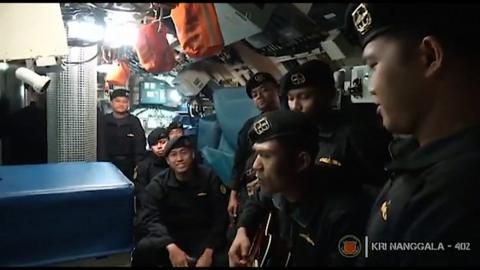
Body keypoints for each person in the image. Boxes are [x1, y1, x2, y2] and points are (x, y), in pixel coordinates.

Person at [344, 3, 480, 266]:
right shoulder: (421, 162)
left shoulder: (457, 196)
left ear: (430, 56)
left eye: (373, 65)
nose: (371, 87)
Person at [228, 110, 372, 267]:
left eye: (266, 155)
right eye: (257, 154)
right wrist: (243, 231)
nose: (256, 165)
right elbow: (257, 200)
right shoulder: (282, 185)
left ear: (301, 162)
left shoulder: (344, 217)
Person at [281, 59, 389, 188]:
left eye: (304, 97)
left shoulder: (354, 132)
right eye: (291, 98)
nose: (295, 106)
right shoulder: (298, 137)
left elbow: (380, 182)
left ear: (329, 94)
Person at [132, 135, 229, 267]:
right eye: (173, 155)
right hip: (170, 236)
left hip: (203, 237)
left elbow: (220, 217)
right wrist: (170, 246)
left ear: (193, 155)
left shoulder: (209, 177)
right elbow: (150, 217)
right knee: (143, 249)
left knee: (224, 258)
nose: (179, 159)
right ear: (167, 160)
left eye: (184, 152)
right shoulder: (159, 184)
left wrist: (208, 252)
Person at [228, 72, 281, 221]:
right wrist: (233, 195)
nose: (259, 96)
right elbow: (239, 162)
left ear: (277, 90)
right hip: (250, 188)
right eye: (254, 94)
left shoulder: (290, 121)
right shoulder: (249, 126)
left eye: (264, 90)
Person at [133, 127, 170, 243]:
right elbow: (142, 194)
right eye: (155, 144)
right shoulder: (144, 166)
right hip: (153, 210)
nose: (159, 147)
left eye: (163, 142)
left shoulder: (175, 161)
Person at [100, 89, 146, 181]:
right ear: (111, 103)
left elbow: (140, 145)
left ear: (128, 104)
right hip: (106, 165)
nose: (121, 104)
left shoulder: (134, 122)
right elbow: (100, 144)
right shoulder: (103, 121)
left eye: (124, 101)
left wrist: (138, 165)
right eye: (117, 101)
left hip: (129, 167)